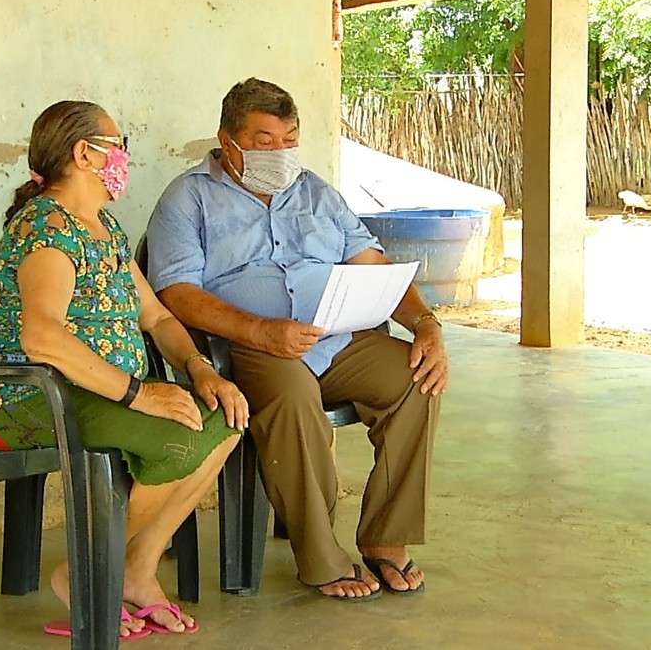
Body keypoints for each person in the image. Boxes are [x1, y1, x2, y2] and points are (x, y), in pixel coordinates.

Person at [146, 78, 447, 601]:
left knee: (416, 378)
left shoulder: (316, 192)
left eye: (289, 140)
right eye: (265, 142)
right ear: (227, 140)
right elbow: (175, 292)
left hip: (331, 337)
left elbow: (373, 264)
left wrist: (426, 324)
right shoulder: (188, 198)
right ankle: (321, 557)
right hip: (247, 345)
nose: (281, 154)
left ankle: (385, 539)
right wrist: (261, 330)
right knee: (292, 393)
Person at [0, 100, 247, 637]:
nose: (124, 157)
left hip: (99, 395)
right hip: (32, 402)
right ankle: (85, 572)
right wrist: (139, 396)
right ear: (85, 154)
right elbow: (42, 335)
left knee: (228, 420)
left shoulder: (104, 227)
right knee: (177, 442)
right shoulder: (46, 228)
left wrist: (199, 369)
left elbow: (158, 316)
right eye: (118, 145)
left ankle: (136, 573)